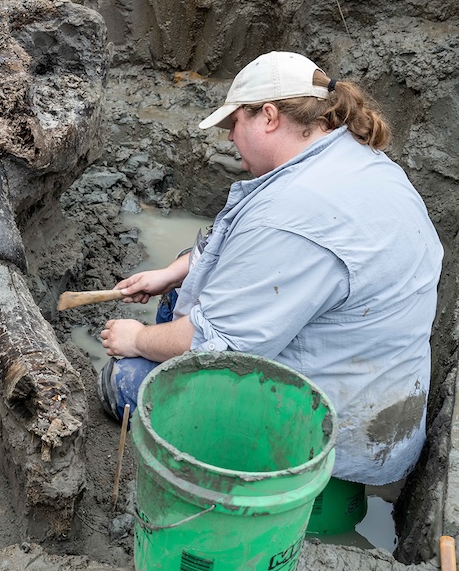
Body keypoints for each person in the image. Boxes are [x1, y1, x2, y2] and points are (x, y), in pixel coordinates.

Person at [97, 51, 443, 488]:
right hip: (375, 407)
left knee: (125, 380)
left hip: (326, 448)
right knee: (180, 289)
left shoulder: (294, 215)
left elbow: (212, 347)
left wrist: (137, 338)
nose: (228, 140)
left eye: (233, 125)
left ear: (268, 116)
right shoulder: (357, 162)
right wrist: (173, 272)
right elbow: (239, 249)